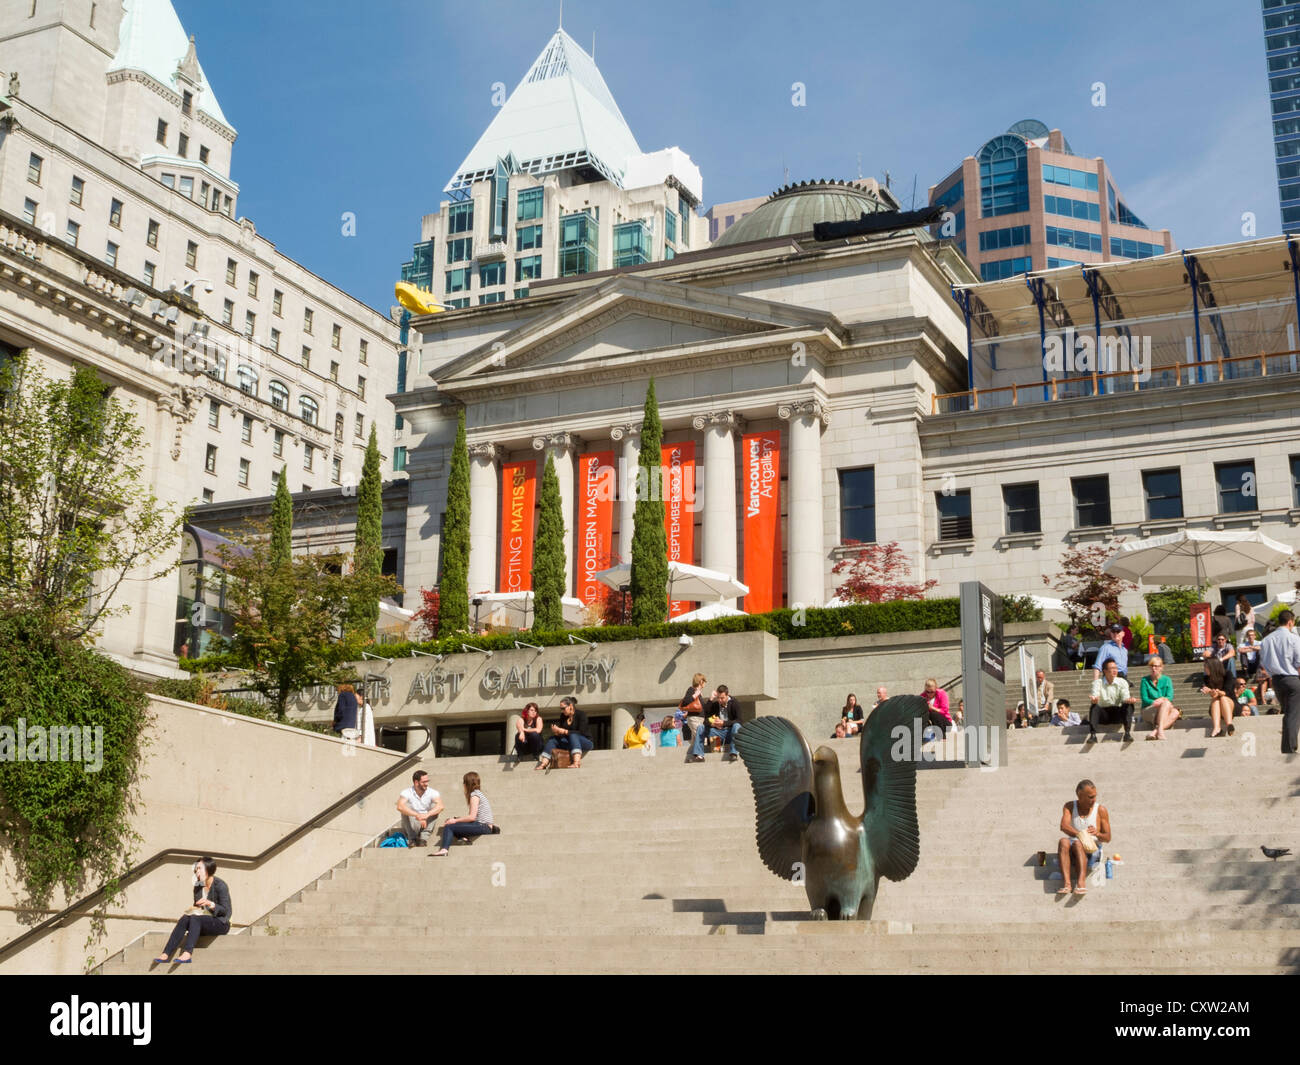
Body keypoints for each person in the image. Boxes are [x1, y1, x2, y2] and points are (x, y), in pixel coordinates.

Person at [153, 856, 231, 964]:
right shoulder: (198, 886)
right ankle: (166, 954)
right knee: (185, 918)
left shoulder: (220, 885)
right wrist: (193, 909)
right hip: (204, 921)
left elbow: (226, 911)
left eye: (200, 868)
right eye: (196, 869)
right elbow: (198, 907)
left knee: (195, 919)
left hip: (221, 923)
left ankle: (187, 953)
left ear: (209, 869)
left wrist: (211, 904)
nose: (197, 872)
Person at [1056, 780, 1111, 897]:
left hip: (1092, 851)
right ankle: (1067, 884)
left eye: (1095, 796)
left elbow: (1108, 837)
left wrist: (1098, 834)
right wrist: (1081, 835)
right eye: (1090, 797)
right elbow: (1064, 826)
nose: (1094, 800)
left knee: (1077, 844)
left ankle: (1081, 883)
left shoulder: (1100, 810)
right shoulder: (1070, 806)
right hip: (1074, 847)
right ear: (1080, 796)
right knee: (1063, 841)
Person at [1258, 609, 1300, 753]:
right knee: (1293, 714)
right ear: (1290, 622)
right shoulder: (1293, 638)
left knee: (1288, 713)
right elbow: (1299, 663)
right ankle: (1290, 748)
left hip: (1276, 680)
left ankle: (1286, 747)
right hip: (1292, 678)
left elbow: (1264, 664)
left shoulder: (1266, 640)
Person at [430, 772, 495, 857]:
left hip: (484, 826)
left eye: (464, 782)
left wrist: (454, 820)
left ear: (467, 784)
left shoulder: (474, 795)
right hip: (483, 825)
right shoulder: (478, 793)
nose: (463, 784)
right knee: (454, 823)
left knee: (449, 826)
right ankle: (465, 838)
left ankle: (444, 850)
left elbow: (472, 817)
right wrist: (457, 819)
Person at [688, 684, 740, 762]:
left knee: (737, 725)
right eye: (718, 698)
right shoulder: (716, 705)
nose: (720, 700)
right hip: (717, 733)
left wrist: (723, 723)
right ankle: (699, 755)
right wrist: (711, 699)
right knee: (701, 727)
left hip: (729, 733)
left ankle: (733, 753)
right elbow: (705, 717)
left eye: (722, 698)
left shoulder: (734, 703)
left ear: (727, 695)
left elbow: (739, 720)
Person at [1088, 659, 1136, 742]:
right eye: (1112, 668)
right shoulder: (1097, 683)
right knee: (1094, 707)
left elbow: (1125, 697)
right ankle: (1093, 735)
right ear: (1105, 671)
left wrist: (1129, 700)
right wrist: (1094, 700)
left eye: (1116, 668)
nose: (1115, 670)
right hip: (1103, 714)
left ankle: (1127, 734)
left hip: (1117, 712)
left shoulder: (1122, 682)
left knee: (1129, 705)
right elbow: (1095, 696)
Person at [538, 696, 593, 769]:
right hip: (570, 743)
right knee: (553, 739)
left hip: (586, 742)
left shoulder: (581, 714)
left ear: (570, 706)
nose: (562, 711)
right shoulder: (563, 716)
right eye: (561, 709)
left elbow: (582, 732)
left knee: (573, 735)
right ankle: (543, 764)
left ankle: (576, 763)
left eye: (563, 708)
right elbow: (562, 734)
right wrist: (557, 732)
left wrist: (564, 731)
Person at [397, 769, 444, 846]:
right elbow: (399, 807)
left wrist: (426, 815)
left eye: (427, 781)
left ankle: (423, 839)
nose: (426, 784)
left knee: (435, 806)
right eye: (424, 782)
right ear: (416, 782)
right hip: (412, 823)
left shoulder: (432, 792)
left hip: (427, 823)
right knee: (404, 806)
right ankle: (412, 839)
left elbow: (441, 806)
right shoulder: (406, 792)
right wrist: (417, 815)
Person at [1140, 656, 1181, 741]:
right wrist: (1155, 702)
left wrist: (1162, 700)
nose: (1153, 668)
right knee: (1166, 703)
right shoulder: (1145, 680)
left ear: (1161, 667)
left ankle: (1156, 731)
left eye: (1156, 666)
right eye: (1151, 666)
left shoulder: (1167, 680)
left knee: (1176, 712)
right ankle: (1160, 732)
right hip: (1149, 709)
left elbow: (1170, 696)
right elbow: (1144, 699)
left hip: (1163, 708)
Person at [1200, 648, 1234, 739]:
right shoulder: (1206, 678)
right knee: (1215, 699)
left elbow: (1226, 692)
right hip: (1217, 706)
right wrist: (1211, 692)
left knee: (1222, 698)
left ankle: (1229, 724)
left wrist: (1217, 692)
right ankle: (1216, 728)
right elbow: (1214, 696)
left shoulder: (1227, 674)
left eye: (1205, 667)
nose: (1204, 669)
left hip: (1230, 703)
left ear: (1212, 667)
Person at [677, 672, 708, 741]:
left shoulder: (699, 692)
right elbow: (685, 702)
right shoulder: (691, 689)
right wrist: (695, 695)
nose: (705, 683)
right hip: (694, 719)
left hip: (700, 719)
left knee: (695, 742)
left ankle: (692, 751)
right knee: (701, 739)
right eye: (704, 681)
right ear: (701, 681)